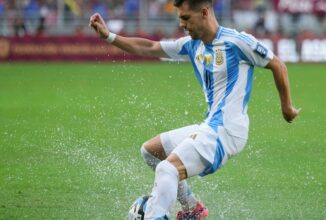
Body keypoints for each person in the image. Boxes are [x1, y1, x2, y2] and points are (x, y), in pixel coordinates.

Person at [89, 0, 301, 219]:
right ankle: (192, 208)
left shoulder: (236, 42)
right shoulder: (192, 46)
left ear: (204, 12)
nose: (182, 23)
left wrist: (286, 107)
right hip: (211, 126)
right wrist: (109, 36)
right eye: (180, 18)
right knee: (151, 152)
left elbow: (277, 64)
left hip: (227, 130)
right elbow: (150, 47)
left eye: (186, 18)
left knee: (167, 169)